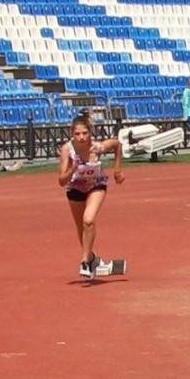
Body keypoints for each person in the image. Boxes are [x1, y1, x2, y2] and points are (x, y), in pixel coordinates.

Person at [57, 112, 126, 278]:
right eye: (77, 134)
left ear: (90, 132)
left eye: (85, 133)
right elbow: (61, 180)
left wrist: (117, 170)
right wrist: (72, 169)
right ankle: (93, 259)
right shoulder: (68, 150)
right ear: (72, 134)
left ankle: (85, 261)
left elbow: (117, 145)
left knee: (88, 220)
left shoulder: (97, 147)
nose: (81, 137)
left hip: (96, 186)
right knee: (82, 229)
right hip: (75, 189)